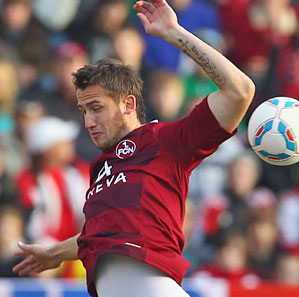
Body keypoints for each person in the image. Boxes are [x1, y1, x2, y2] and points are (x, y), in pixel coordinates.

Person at [12, 1, 255, 297]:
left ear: (128, 104)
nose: (87, 121)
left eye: (96, 108)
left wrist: (174, 33)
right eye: (83, 110)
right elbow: (98, 236)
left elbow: (240, 90)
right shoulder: (100, 167)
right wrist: (55, 253)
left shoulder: (167, 140)